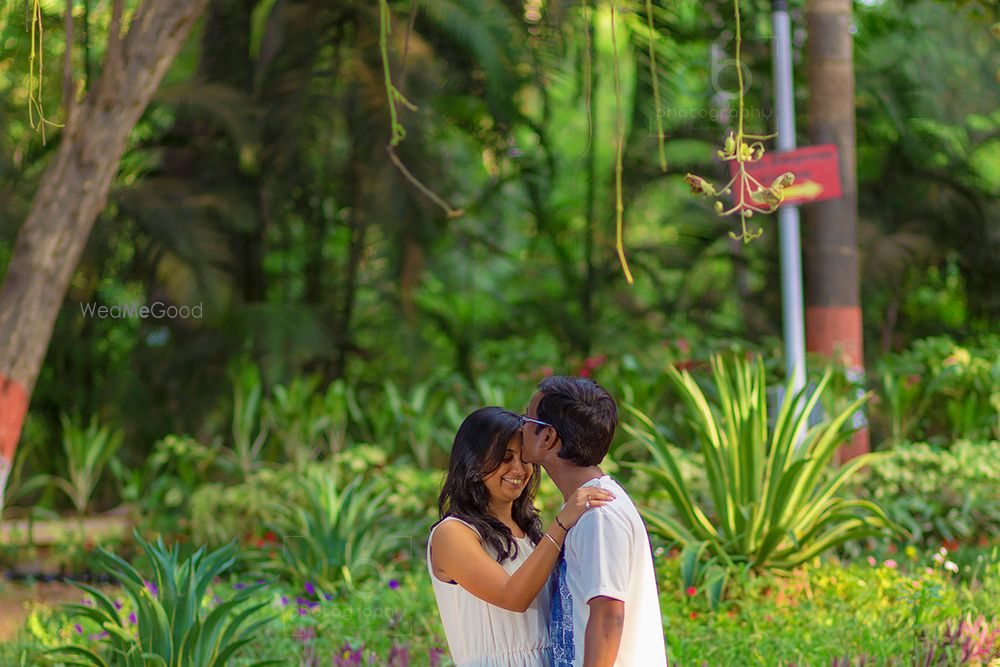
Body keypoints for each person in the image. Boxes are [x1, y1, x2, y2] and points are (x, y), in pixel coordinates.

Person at [429, 406, 616, 667]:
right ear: (473, 461)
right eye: (505, 458)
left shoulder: (530, 535)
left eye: (524, 458)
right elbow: (512, 597)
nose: (519, 469)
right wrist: (561, 524)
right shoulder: (452, 533)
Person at [520, 376, 667, 667]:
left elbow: (608, 615)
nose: (520, 427)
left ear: (548, 437)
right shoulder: (587, 505)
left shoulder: (598, 514)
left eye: (526, 419)